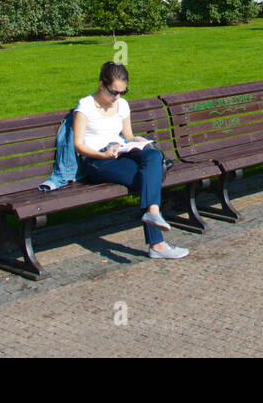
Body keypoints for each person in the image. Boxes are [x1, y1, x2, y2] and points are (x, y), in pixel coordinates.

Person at [73, 62, 188, 259]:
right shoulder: (85, 106)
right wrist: (103, 155)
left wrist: (136, 140)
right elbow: (78, 145)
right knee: (148, 177)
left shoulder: (122, 105)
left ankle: (152, 212)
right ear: (101, 84)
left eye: (122, 92)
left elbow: (127, 134)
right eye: (113, 92)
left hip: (121, 150)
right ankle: (157, 244)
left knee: (153, 155)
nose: (117, 97)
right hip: (97, 159)